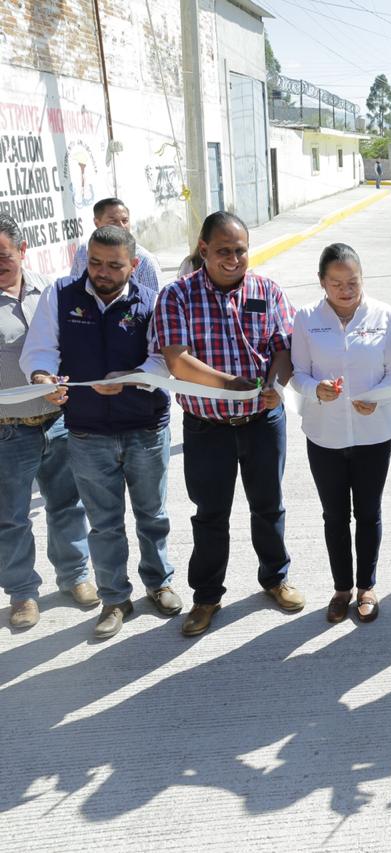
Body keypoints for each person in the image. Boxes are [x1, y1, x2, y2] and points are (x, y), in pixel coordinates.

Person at [21, 225, 179, 639]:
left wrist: (130, 377)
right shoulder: (61, 295)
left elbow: (163, 360)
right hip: (88, 432)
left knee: (152, 515)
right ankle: (114, 598)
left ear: (134, 265)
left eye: (114, 265)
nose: (102, 272)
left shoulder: (152, 302)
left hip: (145, 428)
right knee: (104, 523)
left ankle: (159, 583)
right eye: (95, 263)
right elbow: (40, 350)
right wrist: (42, 377)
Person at [152, 211, 300, 637]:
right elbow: (177, 360)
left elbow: (284, 346)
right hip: (207, 427)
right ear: (203, 250)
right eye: (223, 251)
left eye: (240, 251)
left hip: (262, 422)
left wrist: (275, 384)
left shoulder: (267, 290)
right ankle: (206, 596)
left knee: (268, 505)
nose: (233, 259)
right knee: (211, 514)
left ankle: (275, 578)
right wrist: (230, 385)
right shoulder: (177, 296)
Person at [290, 243, 391, 624]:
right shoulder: (307, 318)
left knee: (368, 513)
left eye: (352, 281)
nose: (345, 290)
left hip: (374, 435)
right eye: (336, 283)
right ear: (322, 282)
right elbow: (298, 373)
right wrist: (315, 389)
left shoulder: (384, 316)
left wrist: (378, 397)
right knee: (335, 516)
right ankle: (341, 589)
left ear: (362, 278)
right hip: (325, 436)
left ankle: (367, 586)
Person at [0, 214, 93, 629]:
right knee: (11, 517)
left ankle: (74, 575)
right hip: (7, 428)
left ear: (22, 250)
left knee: (67, 504)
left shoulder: (51, 292)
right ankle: (22, 592)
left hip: (57, 422)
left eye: (3, 255)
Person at [68, 198, 161, 292]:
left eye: (125, 220)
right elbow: (73, 289)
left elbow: (155, 299)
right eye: (113, 222)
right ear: (96, 223)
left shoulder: (145, 261)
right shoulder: (82, 251)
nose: (121, 226)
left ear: (134, 264)